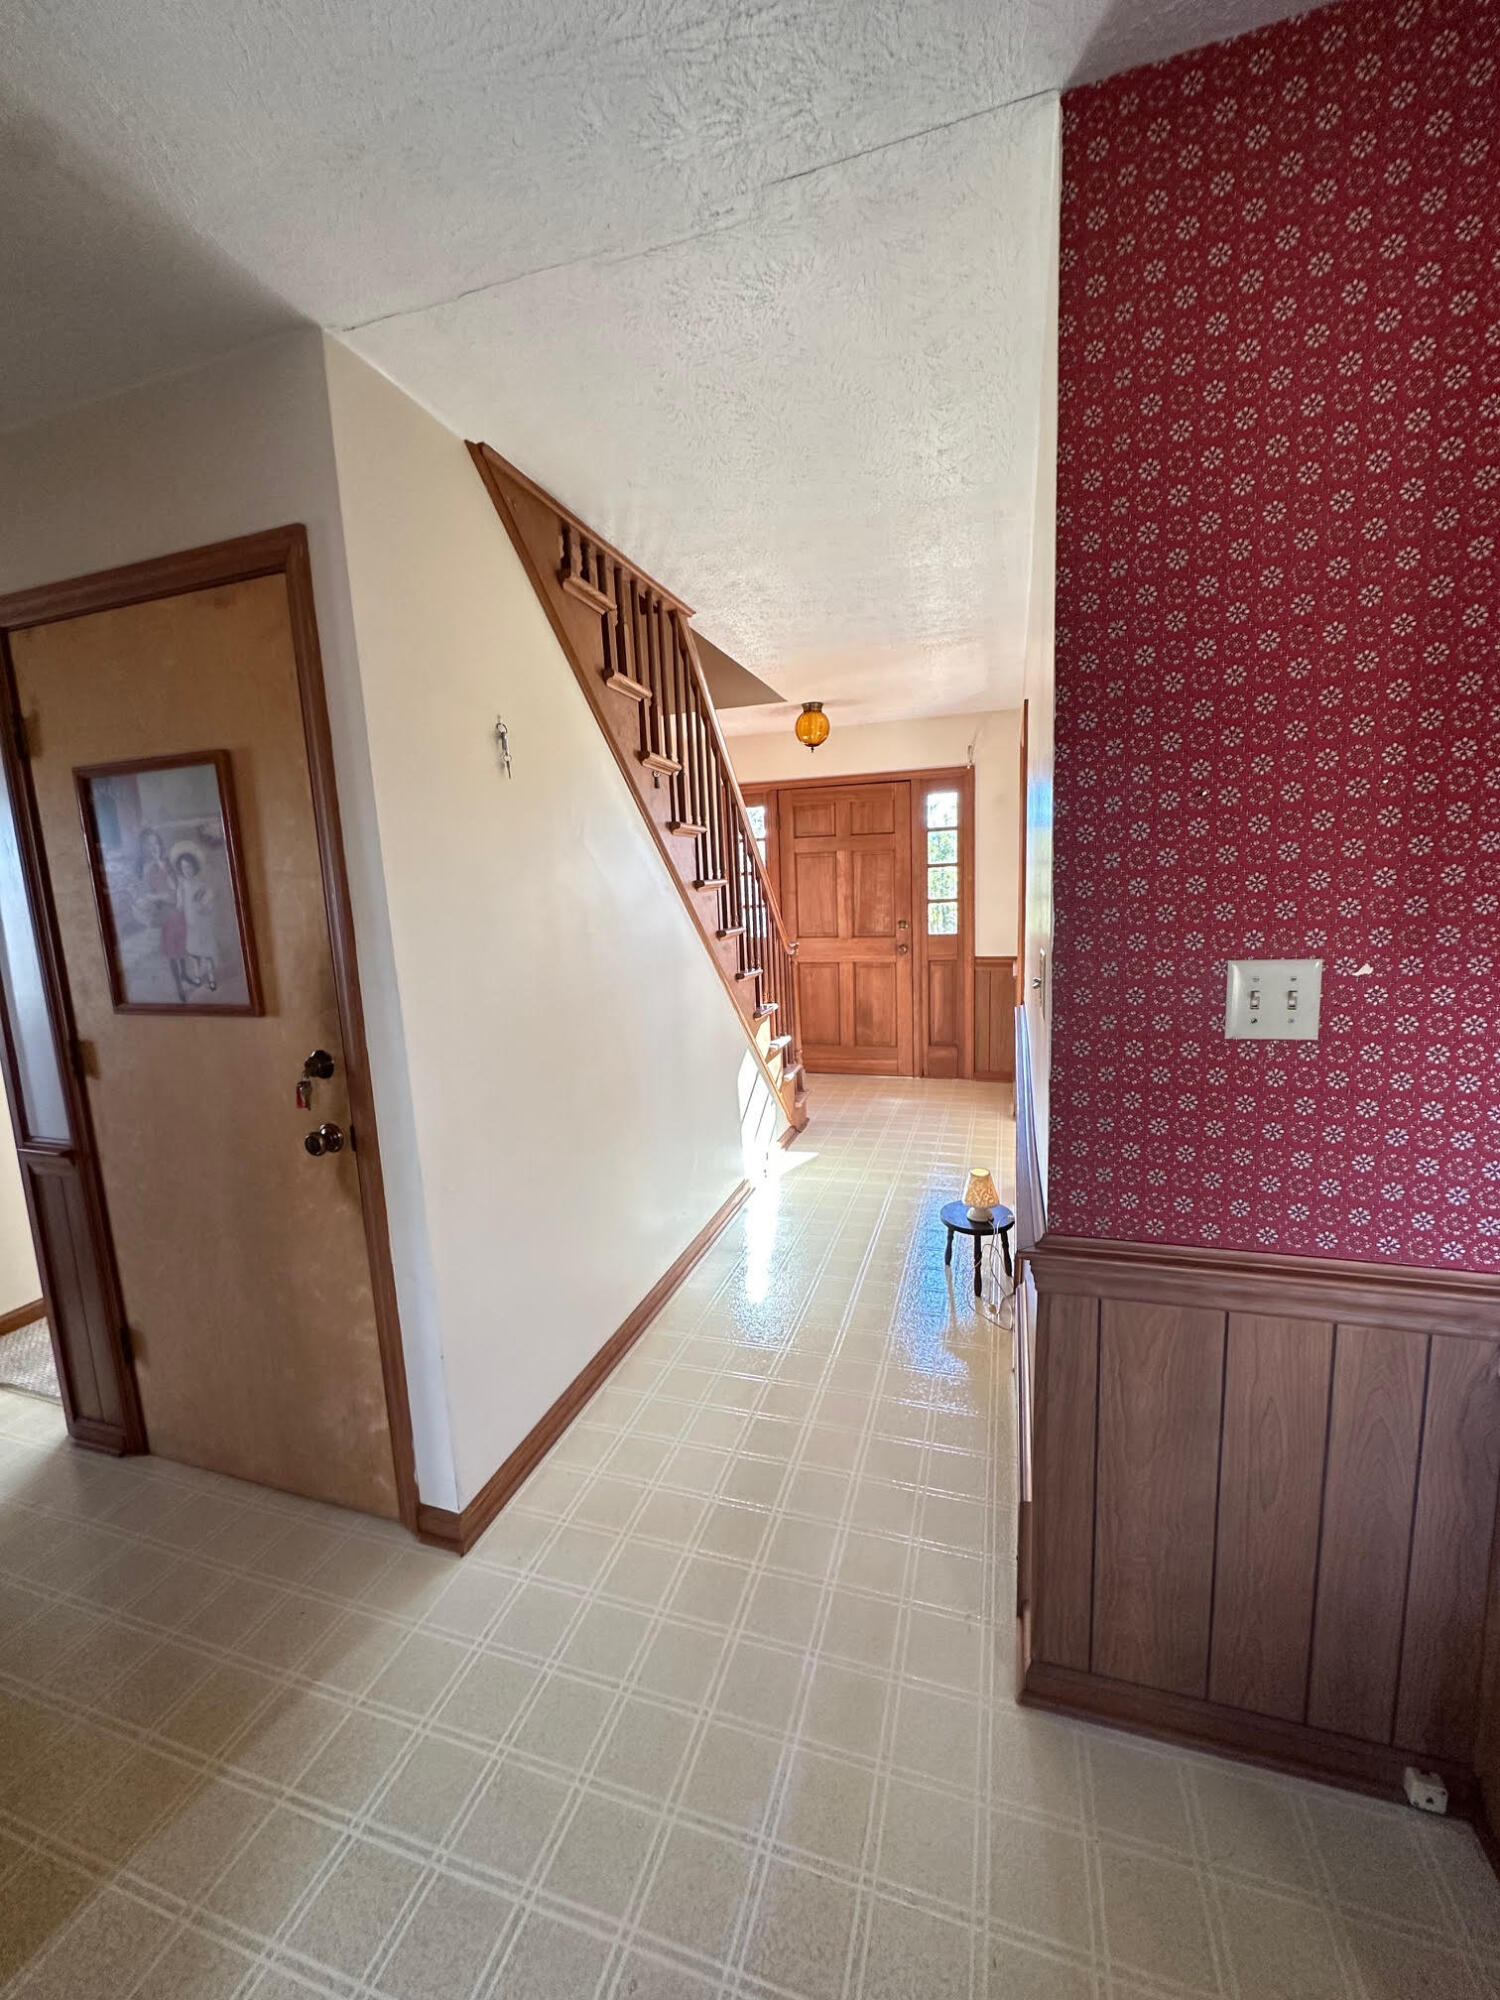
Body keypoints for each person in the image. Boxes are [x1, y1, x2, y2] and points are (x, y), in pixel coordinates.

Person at [134, 828, 189, 1001]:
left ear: (160, 845)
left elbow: (175, 888)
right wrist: (156, 899)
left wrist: (161, 865)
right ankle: (179, 985)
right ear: (143, 848)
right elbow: (149, 893)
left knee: (182, 946)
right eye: (149, 844)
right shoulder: (146, 869)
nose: (153, 847)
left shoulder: (168, 863)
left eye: (156, 843)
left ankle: (185, 974)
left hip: (178, 909)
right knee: (171, 950)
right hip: (165, 913)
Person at [171, 846, 218, 995]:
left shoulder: (202, 885)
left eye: (189, 867)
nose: (187, 870)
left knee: (207, 953)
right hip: (189, 925)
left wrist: (204, 906)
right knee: (194, 954)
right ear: (180, 868)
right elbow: (179, 906)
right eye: (184, 867)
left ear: (194, 867)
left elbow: (209, 906)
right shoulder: (182, 886)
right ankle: (197, 976)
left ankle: (211, 978)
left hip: (203, 924)